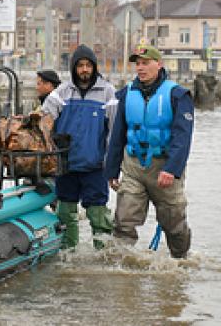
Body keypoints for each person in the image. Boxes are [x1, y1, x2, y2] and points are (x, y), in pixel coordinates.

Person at [105, 45, 193, 259]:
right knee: (123, 220)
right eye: (138, 64)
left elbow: (183, 137)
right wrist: (111, 171)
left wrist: (172, 169)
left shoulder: (178, 95)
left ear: (159, 64)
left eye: (145, 63)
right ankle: (120, 270)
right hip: (134, 166)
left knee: (174, 225)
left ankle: (181, 262)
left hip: (164, 167)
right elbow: (118, 135)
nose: (140, 68)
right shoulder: (126, 94)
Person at [42, 44, 116, 250]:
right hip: (66, 165)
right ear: (74, 68)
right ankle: (68, 255)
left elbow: (114, 132)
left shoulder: (108, 92)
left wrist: (112, 164)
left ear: (94, 67)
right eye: (80, 65)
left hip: (95, 166)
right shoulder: (61, 93)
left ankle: (104, 256)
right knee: (65, 214)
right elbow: (44, 121)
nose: (84, 70)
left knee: (98, 215)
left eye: (88, 65)